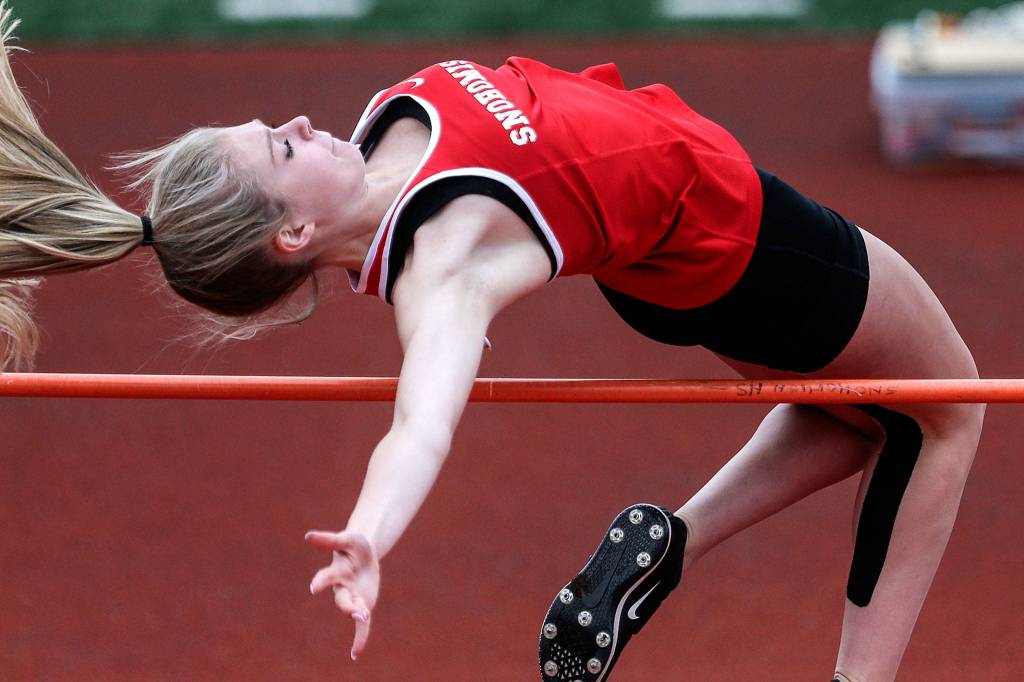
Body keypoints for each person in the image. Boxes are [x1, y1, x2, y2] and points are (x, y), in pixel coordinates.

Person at [0, 5, 983, 680]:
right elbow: (420, 423)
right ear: (292, 236)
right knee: (946, 413)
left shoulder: (385, 129)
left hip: (670, 268)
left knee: (855, 422)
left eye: (274, 125)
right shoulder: (446, 265)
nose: (299, 120)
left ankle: (667, 543)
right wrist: (370, 533)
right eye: (282, 147)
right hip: (745, 244)